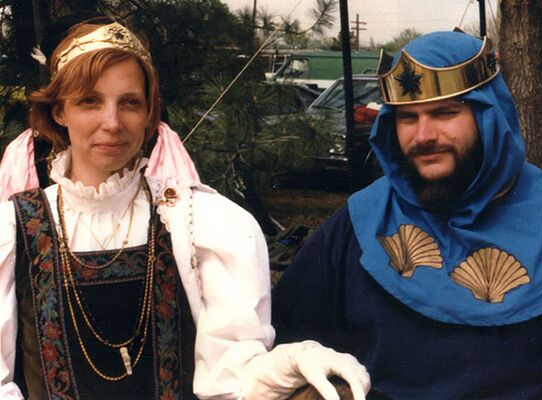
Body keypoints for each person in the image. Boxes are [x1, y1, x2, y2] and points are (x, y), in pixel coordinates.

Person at [0, 18, 370, 399]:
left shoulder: (196, 222)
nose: (112, 123)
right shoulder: (14, 229)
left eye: (130, 103)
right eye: (89, 101)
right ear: (59, 111)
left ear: (149, 113)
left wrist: (295, 361)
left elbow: (232, 377)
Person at [272, 30, 542, 399]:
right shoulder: (361, 221)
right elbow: (283, 342)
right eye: (407, 117)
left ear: (489, 116)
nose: (423, 135)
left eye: (444, 113)